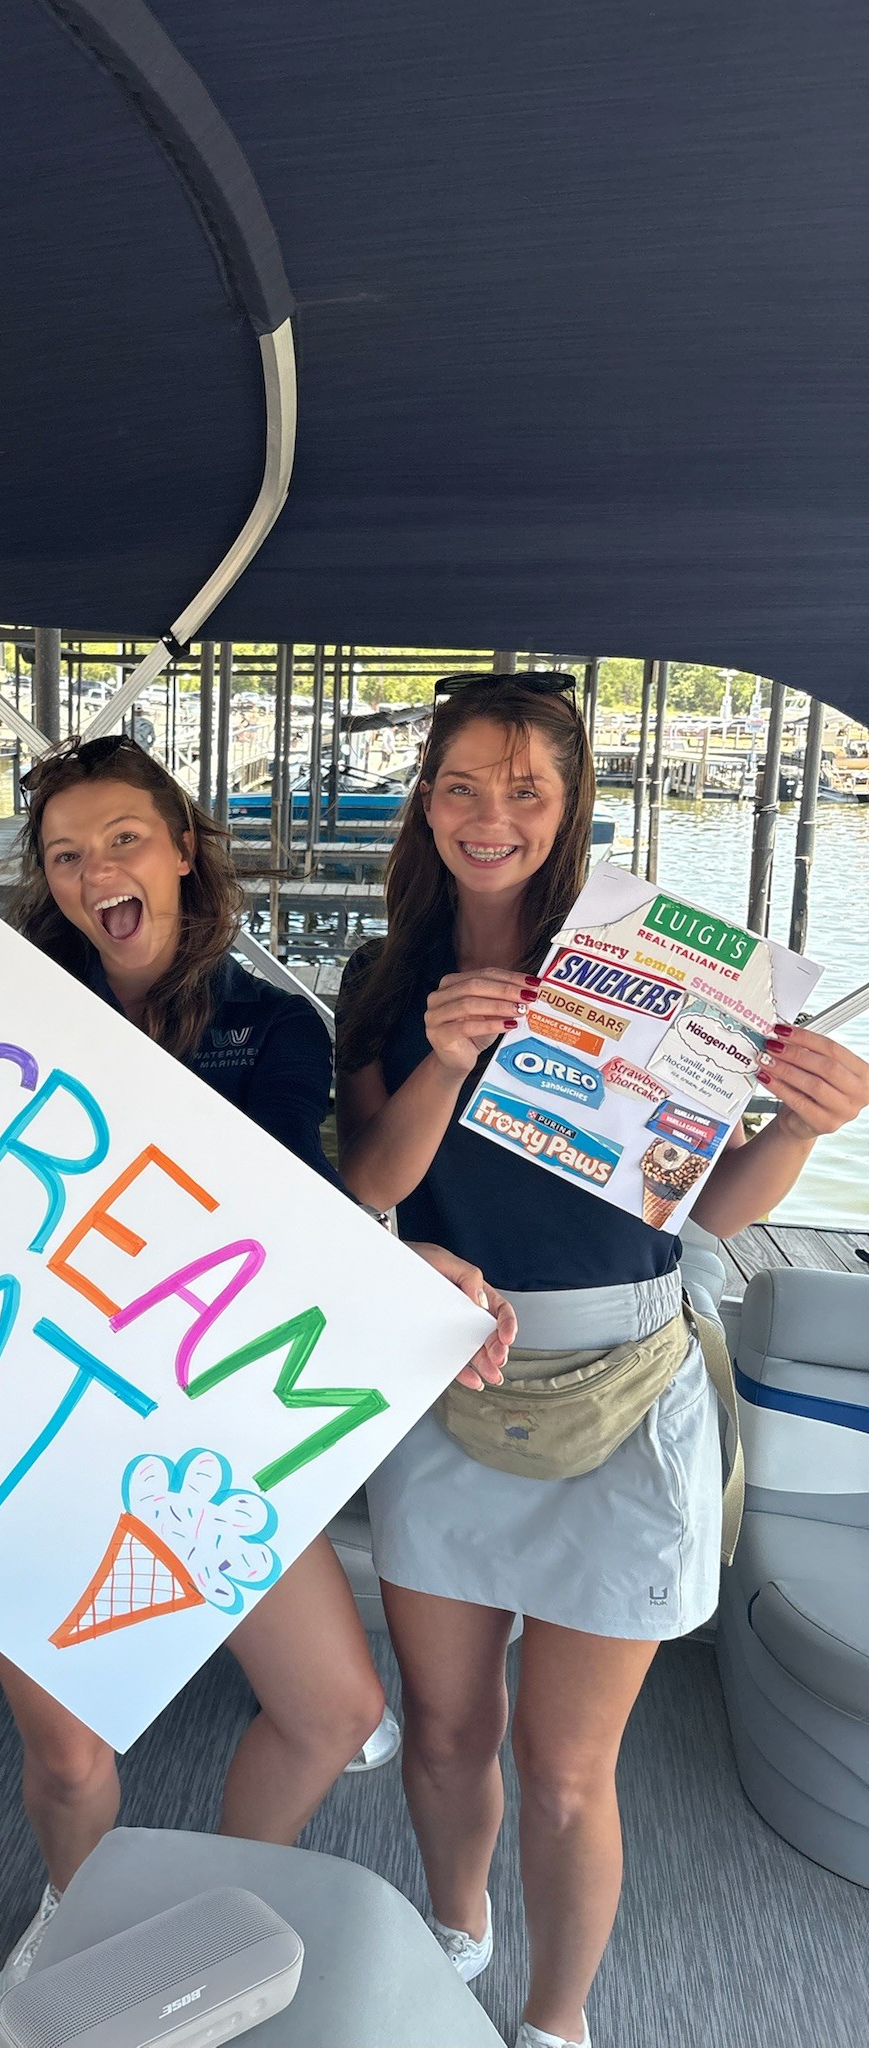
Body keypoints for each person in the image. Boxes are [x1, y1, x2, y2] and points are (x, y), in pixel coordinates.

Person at [0, 730, 513, 2029]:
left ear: (184, 849)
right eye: (68, 856)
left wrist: (409, 1265)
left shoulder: (271, 1028)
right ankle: (79, 1923)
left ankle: (202, 1894)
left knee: (332, 1708)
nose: (97, 874)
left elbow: (284, 1222)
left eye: (124, 840)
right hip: (22, 1422)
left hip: (198, 1426)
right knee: (71, 1752)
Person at [334, 671, 869, 2048]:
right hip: (447, 1372)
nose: (489, 813)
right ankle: (459, 1928)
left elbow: (718, 1205)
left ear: (570, 807)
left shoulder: (661, 978)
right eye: (461, 783)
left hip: (627, 1381)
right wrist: (446, 1058)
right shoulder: (386, 974)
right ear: (427, 798)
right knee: (445, 1731)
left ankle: (558, 2021)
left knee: (565, 1769)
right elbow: (370, 1191)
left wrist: (804, 1124)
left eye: (525, 787)